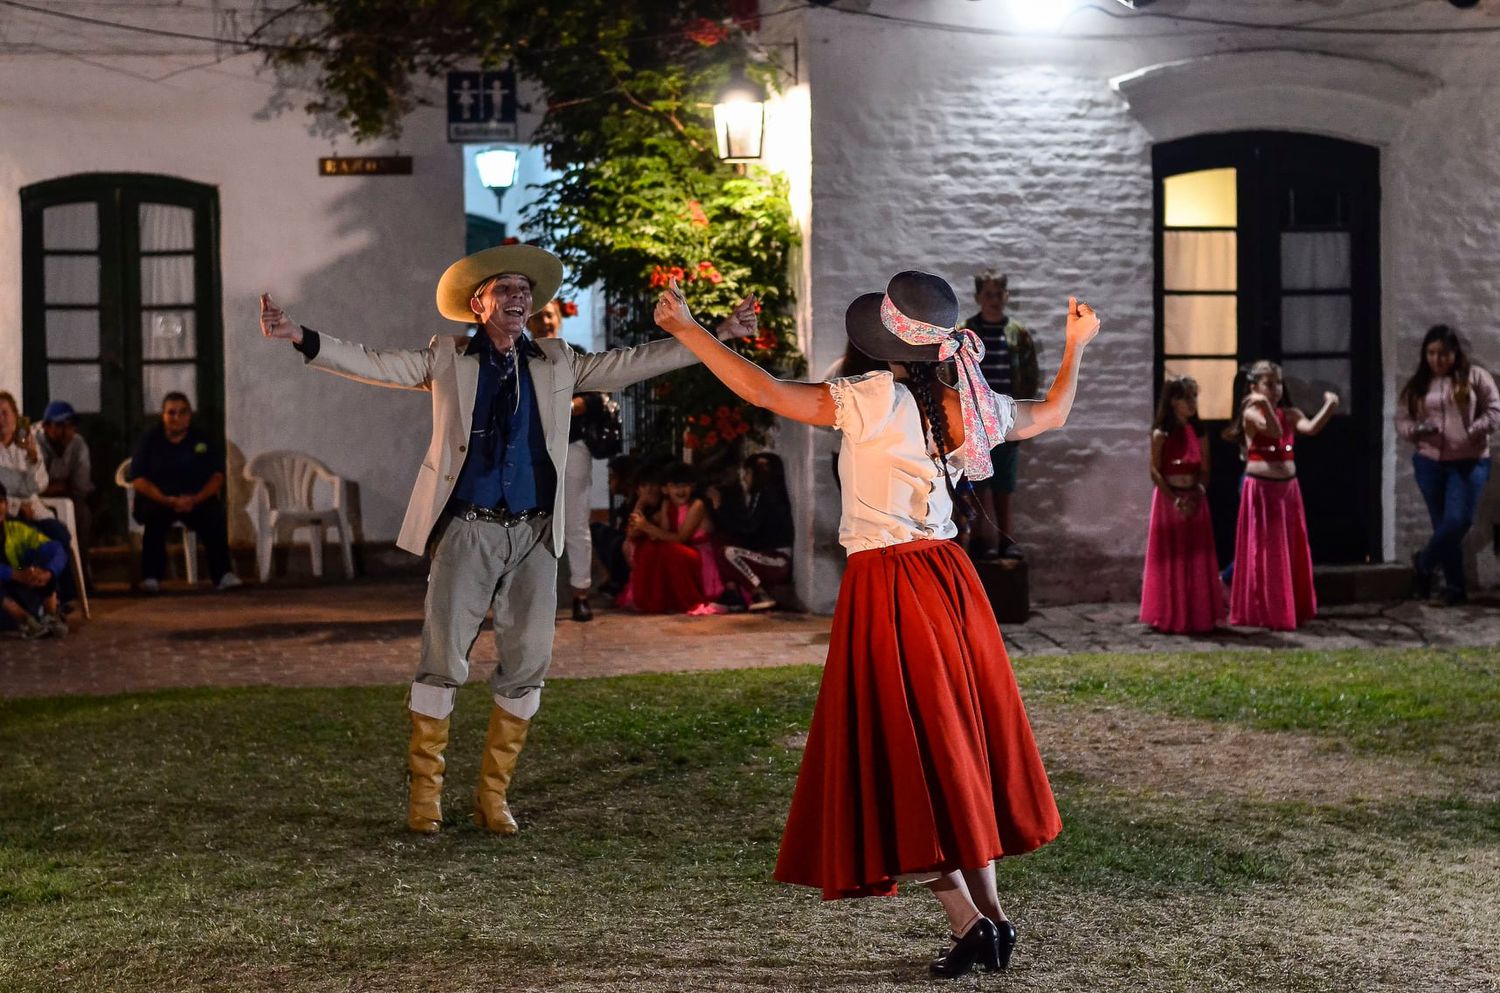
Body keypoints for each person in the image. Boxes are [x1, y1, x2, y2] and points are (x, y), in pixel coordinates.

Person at [653, 269, 1098, 977]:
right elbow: (1053, 412)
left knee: (901, 754)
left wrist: (687, 329)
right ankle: (992, 921)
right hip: (952, 583)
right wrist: (1077, 345)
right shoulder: (968, 401)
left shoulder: (867, 398)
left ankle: (968, 920)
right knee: (952, 751)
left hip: (890, 585)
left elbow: (763, 390)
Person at [258, 243, 755, 836]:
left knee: (529, 663)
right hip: (468, 528)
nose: (519, 298)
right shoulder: (447, 356)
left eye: (525, 290)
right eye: (506, 289)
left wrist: (715, 334)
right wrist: (299, 335)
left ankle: (493, 796)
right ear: (479, 303)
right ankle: (426, 795)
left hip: (534, 533)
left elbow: (632, 363)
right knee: (443, 660)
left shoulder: (557, 359)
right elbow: (375, 362)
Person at [1226, 361, 1338, 630]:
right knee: (1266, 552)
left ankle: (1289, 607)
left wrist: (1330, 406)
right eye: (1268, 384)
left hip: (1288, 490)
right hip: (1262, 490)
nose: (1275, 389)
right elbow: (1273, 431)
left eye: (1278, 383)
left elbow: (1310, 428)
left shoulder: (1290, 414)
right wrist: (1261, 403)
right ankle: (1265, 610)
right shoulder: (1252, 412)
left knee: (1289, 549)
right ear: (1254, 387)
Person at [1396, 324, 1500, 605]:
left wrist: (1475, 429)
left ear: (1455, 353)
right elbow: (1402, 418)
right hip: (1430, 462)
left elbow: (1493, 410)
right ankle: (1454, 589)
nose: (1437, 360)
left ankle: (1425, 562)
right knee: (1443, 524)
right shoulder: (1418, 384)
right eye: (1431, 353)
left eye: (1443, 353)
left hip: (1469, 462)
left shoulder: (1475, 376)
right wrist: (1415, 430)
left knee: (1458, 521)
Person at [526, 298, 599, 622]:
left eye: (550, 315)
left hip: (572, 446)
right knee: (531, 523)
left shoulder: (576, 353)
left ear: (560, 319)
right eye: (539, 317)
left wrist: (563, 407)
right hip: (530, 451)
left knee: (575, 522)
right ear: (528, 323)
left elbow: (596, 396)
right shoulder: (519, 356)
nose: (546, 322)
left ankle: (581, 592)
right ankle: (535, 596)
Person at [960, 270, 1041, 560]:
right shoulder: (966, 332)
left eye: (999, 294)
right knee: (976, 484)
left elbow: (1029, 375)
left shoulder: (1017, 333)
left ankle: (1006, 538)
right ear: (978, 297)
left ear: (1006, 296)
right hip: (975, 421)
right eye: (988, 294)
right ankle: (981, 539)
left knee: (1004, 484)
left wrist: (1023, 414)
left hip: (1006, 419)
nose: (994, 300)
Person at [127, 392, 242, 594]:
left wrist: (197, 498)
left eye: (182, 412)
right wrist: (166, 499)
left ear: (189, 415)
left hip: (195, 499)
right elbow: (138, 480)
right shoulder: (149, 440)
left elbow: (217, 477)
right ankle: (151, 577)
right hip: (160, 498)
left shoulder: (202, 439)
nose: (177, 418)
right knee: (154, 519)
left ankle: (223, 574)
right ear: (163, 416)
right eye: (171, 413)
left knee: (214, 516)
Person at [1139, 376, 1223, 633]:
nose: (1192, 403)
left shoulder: (1199, 432)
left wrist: (1196, 494)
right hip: (1169, 500)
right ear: (1173, 402)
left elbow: (1206, 469)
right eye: (1187, 398)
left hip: (1194, 498)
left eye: (1194, 397)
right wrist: (1175, 499)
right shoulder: (1161, 434)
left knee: (1196, 556)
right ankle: (1169, 613)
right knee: (1171, 557)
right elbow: (1155, 471)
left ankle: (1198, 614)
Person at [0, 392, 76, 605]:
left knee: (59, 533)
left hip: (34, 508)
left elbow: (39, 485)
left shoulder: (26, 444)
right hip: (7, 513)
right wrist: (17, 503)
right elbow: (3, 489)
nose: (1, 420)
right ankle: (43, 597)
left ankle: (59, 596)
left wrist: (33, 457)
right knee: (34, 539)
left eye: (5, 413)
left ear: (15, 417)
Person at [619, 461, 722, 614]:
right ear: (666, 489)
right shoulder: (667, 504)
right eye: (675, 486)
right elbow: (635, 533)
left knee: (667, 550)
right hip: (680, 552)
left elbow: (681, 538)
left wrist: (647, 527)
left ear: (692, 487)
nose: (680, 490)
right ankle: (651, 599)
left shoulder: (696, 505)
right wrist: (641, 502)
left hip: (699, 555)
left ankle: (682, 599)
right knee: (650, 547)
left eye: (684, 486)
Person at [715, 451, 795, 611]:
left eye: (748, 473)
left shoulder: (769, 496)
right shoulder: (758, 496)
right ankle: (734, 595)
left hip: (778, 559)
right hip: (765, 555)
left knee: (729, 553)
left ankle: (759, 593)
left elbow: (750, 530)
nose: (744, 478)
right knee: (722, 543)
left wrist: (720, 508)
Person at [1, 481, 69, 639]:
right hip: (5, 604)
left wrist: (46, 572)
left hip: (19, 589)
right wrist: (14, 574)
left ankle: (50, 615)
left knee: (45, 556)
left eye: (0, 501)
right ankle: (24, 620)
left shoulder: (15, 529)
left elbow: (55, 549)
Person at [35, 401, 95, 581]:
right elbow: (34, 486)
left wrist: (58, 487)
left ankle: (81, 575)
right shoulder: (32, 441)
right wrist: (57, 485)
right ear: (46, 426)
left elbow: (81, 485)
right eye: (60, 425)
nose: (67, 431)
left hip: (69, 499)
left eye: (71, 425)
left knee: (83, 515)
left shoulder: (78, 444)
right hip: (35, 501)